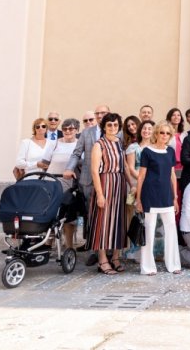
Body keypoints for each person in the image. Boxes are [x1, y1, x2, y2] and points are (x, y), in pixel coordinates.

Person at [65, 104, 110, 266]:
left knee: (108, 216)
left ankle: (109, 249)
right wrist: (69, 168)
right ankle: (94, 251)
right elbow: (77, 153)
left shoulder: (117, 131)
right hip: (88, 180)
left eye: (103, 113)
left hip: (110, 180)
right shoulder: (86, 132)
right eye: (97, 113)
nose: (99, 116)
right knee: (91, 216)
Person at [134, 120, 181, 275]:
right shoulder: (147, 151)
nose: (164, 135)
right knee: (149, 231)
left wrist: (175, 198)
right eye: (162, 132)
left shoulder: (170, 152)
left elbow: (172, 175)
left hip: (167, 195)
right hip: (150, 195)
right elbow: (141, 176)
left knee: (171, 230)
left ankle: (173, 265)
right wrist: (139, 199)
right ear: (156, 133)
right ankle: (147, 267)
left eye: (168, 133)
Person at [86, 112, 128, 274]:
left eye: (116, 125)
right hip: (105, 184)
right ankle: (102, 259)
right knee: (103, 222)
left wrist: (132, 185)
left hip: (120, 184)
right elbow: (94, 171)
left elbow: (124, 167)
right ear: (104, 126)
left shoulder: (120, 143)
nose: (112, 127)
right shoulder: (99, 144)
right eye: (109, 125)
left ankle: (115, 257)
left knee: (118, 221)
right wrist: (100, 194)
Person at [39, 118, 81, 247]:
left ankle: (69, 246)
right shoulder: (54, 143)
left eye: (71, 128)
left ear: (77, 130)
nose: (68, 131)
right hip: (51, 183)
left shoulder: (79, 144)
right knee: (50, 213)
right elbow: (44, 163)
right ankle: (48, 242)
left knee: (67, 216)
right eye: (65, 129)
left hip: (69, 185)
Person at [123, 119, 153, 261]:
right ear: (140, 131)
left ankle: (152, 250)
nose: (146, 131)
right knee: (137, 216)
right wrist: (142, 179)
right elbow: (130, 167)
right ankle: (135, 251)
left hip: (153, 184)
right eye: (144, 128)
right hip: (137, 183)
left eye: (149, 129)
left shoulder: (155, 147)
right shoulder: (133, 147)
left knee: (152, 217)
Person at [165, 107, 184, 174]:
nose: (176, 117)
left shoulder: (184, 135)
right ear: (169, 118)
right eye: (173, 115)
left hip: (183, 166)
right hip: (169, 166)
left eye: (178, 115)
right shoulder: (165, 134)